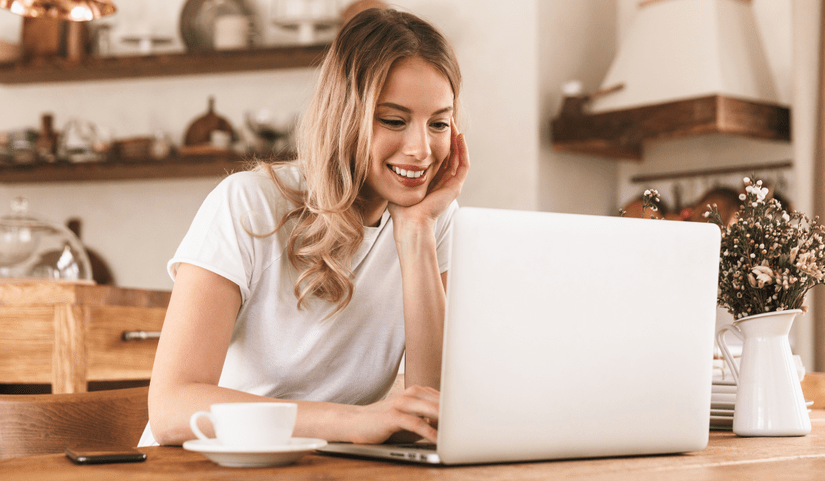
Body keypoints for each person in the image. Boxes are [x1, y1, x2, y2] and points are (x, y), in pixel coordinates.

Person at [142, 8, 469, 447]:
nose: (421, 149)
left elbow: (434, 413)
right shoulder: (249, 203)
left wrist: (415, 233)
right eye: (393, 120)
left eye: (439, 124)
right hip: (204, 468)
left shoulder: (430, 220)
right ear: (345, 116)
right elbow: (171, 409)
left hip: (323, 470)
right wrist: (353, 422)